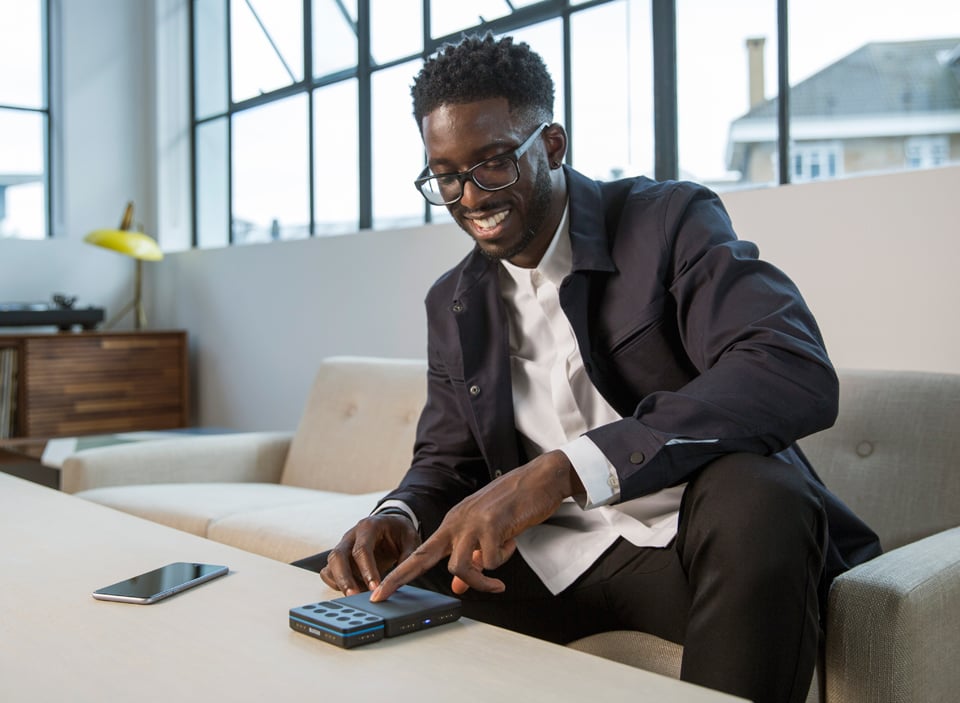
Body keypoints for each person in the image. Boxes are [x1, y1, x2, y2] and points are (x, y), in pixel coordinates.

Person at [295, 34, 881, 703]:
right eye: (446, 176)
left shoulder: (669, 222)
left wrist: (567, 468)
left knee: (763, 490)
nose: (470, 197)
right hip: (541, 561)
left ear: (550, 145)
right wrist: (397, 513)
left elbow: (789, 367)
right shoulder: (453, 301)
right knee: (319, 587)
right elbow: (445, 459)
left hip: (688, 546)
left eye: (490, 163)